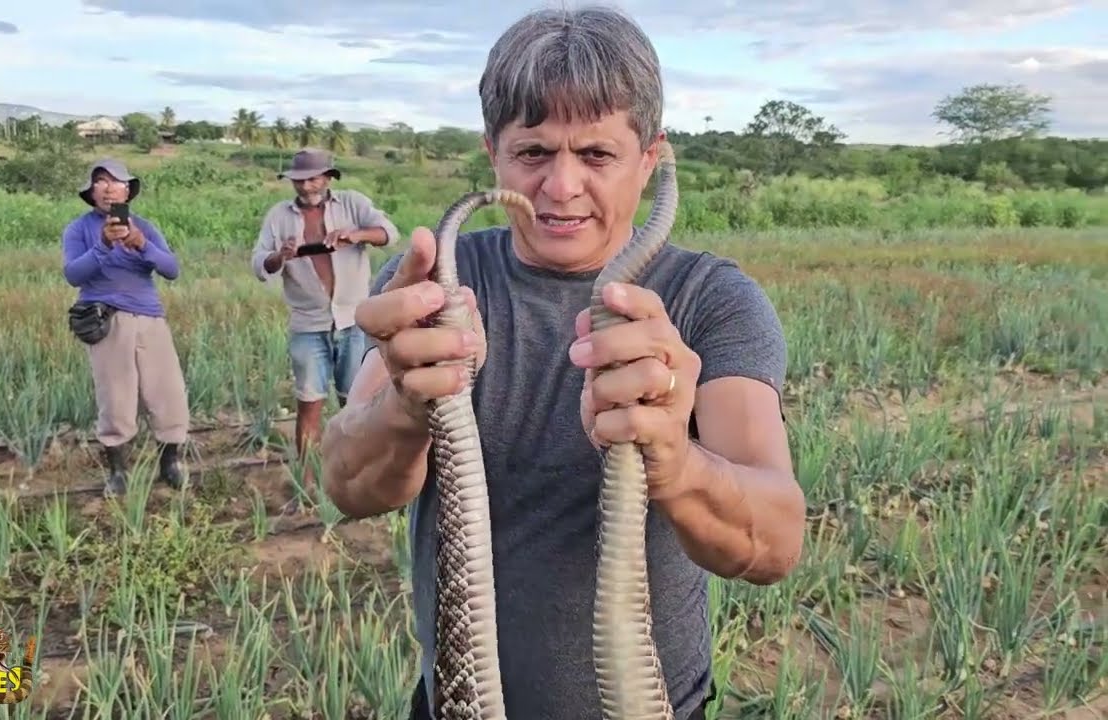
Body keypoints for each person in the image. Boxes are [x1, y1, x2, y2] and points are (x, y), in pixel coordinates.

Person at [319, 6, 807, 720]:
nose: (562, 186)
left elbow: (773, 544)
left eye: (598, 155)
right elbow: (349, 486)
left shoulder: (711, 300)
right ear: (494, 152)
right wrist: (404, 407)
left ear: (648, 158)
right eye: (535, 152)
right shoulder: (443, 283)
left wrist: (672, 453)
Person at [251, 147, 399, 501]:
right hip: (308, 324)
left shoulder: (351, 204)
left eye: (313, 178)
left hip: (352, 320)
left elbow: (388, 233)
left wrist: (355, 236)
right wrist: (279, 256)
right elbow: (259, 263)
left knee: (359, 401)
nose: (306, 186)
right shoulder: (279, 216)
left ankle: (358, 474)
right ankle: (307, 482)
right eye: (299, 180)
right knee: (309, 403)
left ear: (328, 178)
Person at [61, 158, 191, 498]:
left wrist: (140, 244)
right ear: (91, 192)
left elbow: (172, 269)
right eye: (100, 182)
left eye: (115, 182)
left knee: (167, 393)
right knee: (116, 398)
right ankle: (118, 471)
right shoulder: (79, 229)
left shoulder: (145, 226)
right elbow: (74, 274)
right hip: (107, 319)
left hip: (150, 318)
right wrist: (103, 245)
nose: (107, 187)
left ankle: (170, 462)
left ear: (127, 190)